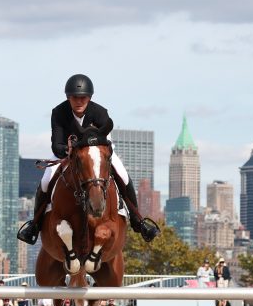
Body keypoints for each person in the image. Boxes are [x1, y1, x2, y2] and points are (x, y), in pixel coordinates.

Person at [16, 74, 160, 245]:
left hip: (98, 153)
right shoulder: (59, 113)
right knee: (46, 180)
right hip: (67, 154)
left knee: (123, 175)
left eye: (83, 98)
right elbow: (56, 145)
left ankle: (138, 221)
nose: (79, 101)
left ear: (89, 97)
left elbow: (105, 141)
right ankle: (34, 225)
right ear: (68, 97)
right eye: (74, 98)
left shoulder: (99, 113)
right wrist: (68, 149)